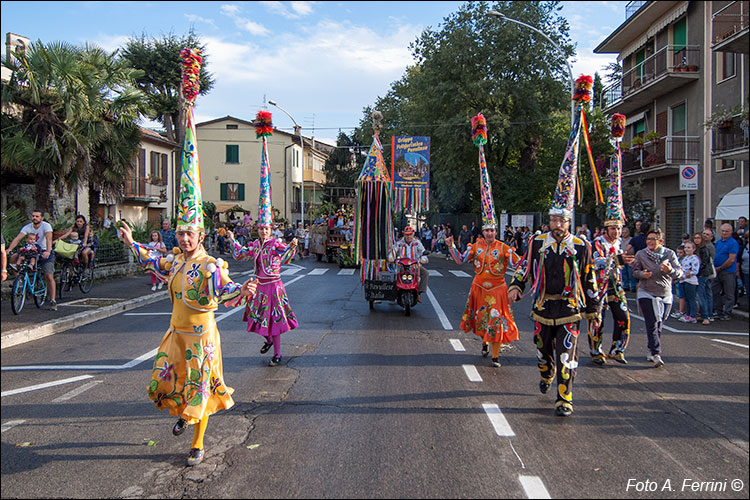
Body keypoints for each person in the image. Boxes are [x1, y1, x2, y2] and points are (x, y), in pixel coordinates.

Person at [509, 77, 601, 416]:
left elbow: (589, 277)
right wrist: (517, 286)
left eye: (562, 220)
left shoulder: (581, 245)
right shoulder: (537, 241)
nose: (557, 225)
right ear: (548, 220)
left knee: (568, 354)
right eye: (553, 220)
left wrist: (592, 310)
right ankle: (545, 373)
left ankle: (566, 398)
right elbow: (524, 267)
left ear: (570, 221)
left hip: (572, 308)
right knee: (542, 351)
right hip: (543, 307)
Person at [229, 110, 299, 367]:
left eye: (267, 229)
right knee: (262, 320)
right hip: (260, 286)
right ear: (257, 229)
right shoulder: (257, 245)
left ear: (272, 229)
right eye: (260, 229)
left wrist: (292, 245)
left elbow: (287, 257)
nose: (263, 232)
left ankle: (277, 352)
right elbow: (241, 254)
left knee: (277, 322)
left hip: (275, 286)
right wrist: (231, 240)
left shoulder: (275, 244)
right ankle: (269, 341)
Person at [587, 119, 635, 366]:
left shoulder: (621, 243)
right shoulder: (597, 242)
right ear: (606, 227)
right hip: (599, 287)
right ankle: (596, 351)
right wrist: (616, 260)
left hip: (616, 287)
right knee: (598, 319)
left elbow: (623, 263)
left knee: (624, 317)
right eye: (613, 227)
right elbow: (595, 264)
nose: (616, 230)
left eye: (619, 227)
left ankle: (618, 348)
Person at [632, 228, 683, 367]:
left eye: (653, 239)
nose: (649, 242)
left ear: (660, 241)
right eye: (648, 239)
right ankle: (656, 353)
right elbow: (634, 271)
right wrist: (643, 274)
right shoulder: (641, 254)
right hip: (646, 291)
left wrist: (669, 270)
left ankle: (651, 347)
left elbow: (679, 272)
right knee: (652, 321)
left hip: (665, 292)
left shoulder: (669, 254)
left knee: (660, 323)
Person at [7, 209, 57, 310]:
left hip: (43, 251)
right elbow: (18, 238)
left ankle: (53, 300)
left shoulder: (46, 226)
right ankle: (20, 281)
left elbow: (48, 239)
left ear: (42, 218)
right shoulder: (28, 227)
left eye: (37, 216)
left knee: (48, 275)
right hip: (30, 252)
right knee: (13, 258)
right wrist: (9, 249)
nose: (34, 218)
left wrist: (47, 251)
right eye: (33, 216)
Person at [390, 226, 429, 302]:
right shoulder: (399, 243)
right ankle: (394, 292)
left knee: (425, 273)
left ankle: (419, 292)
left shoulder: (417, 243)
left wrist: (423, 259)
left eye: (410, 234)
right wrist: (391, 257)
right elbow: (393, 251)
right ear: (404, 235)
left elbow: (423, 252)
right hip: (401, 266)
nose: (409, 237)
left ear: (413, 234)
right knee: (393, 275)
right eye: (407, 235)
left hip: (414, 266)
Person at [712, 223, 739, 320]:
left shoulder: (733, 243)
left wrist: (721, 268)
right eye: (723, 231)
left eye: (726, 231)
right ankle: (718, 311)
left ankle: (727, 312)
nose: (724, 233)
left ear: (731, 232)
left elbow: (731, 259)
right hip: (717, 271)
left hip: (728, 271)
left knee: (729, 293)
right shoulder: (719, 242)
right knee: (715, 291)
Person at [693, 232, 713, 324]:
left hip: (703, 274)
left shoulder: (704, 249)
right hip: (698, 274)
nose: (696, 240)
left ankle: (706, 316)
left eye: (698, 238)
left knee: (701, 295)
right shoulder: (696, 249)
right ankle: (703, 314)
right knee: (701, 294)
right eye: (695, 238)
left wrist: (698, 271)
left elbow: (704, 263)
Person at [679, 241, 700, 323]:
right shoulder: (685, 258)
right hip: (683, 280)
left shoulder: (694, 259)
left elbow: (695, 271)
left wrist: (686, 274)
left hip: (691, 281)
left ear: (693, 249)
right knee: (686, 299)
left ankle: (693, 315)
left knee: (691, 299)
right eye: (685, 247)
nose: (686, 249)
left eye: (689, 247)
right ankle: (687, 314)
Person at [670, 245, 687, 319]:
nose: (679, 254)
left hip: (682, 279)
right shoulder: (678, 259)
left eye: (681, 252)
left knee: (682, 296)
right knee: (680, 295)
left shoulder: (684, 260)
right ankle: (682, 310)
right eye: (678, 252)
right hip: (678, 280)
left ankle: (682, 311)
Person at [620, 226, 636, 292]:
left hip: (630, 258)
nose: (624, 234)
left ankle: (633, 286)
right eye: (623, 232)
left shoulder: (631, 239)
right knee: (623, 273)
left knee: (631, 273)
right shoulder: (619, 240)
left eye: (626, 232)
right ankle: (625, 286)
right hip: (622, 258)